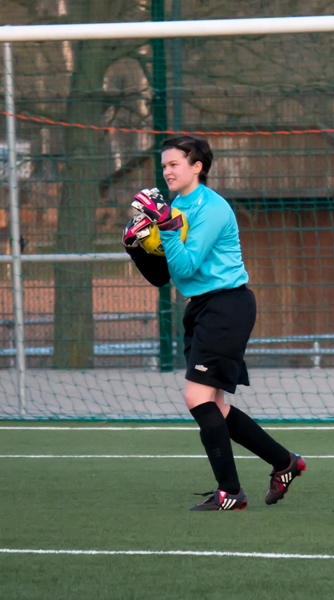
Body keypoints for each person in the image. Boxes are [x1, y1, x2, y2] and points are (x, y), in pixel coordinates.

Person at [122, 135, 306, 511]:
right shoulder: (176, 206)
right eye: (164, 165)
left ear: (196, 167)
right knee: (215, 407)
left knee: (195, 396)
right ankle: (285, 462)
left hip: (228, 305)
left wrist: (169, 227)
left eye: (174, 164)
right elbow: (165, 276)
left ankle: (231, 493)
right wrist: (136, 248)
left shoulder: (211, 208)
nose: (167, 171)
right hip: (203, 308)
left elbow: (187, 264)